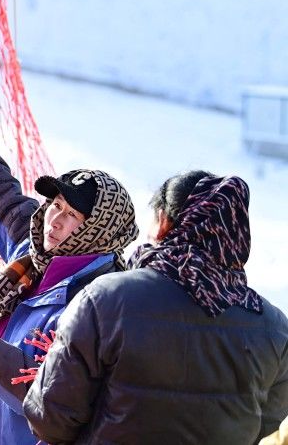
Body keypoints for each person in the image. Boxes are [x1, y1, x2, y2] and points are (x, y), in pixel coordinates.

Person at [0, 80, 139, 445]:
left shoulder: (101, 301)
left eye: (73, 215)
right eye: (57, 206)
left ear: (100, 230)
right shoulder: (33, 255)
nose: (55, 221)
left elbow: (57, 399)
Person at [23, 171, 288, 444]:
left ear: (162, 222)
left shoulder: (105, 299)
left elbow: (50, 420)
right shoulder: (275, 329)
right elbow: (269, 433)